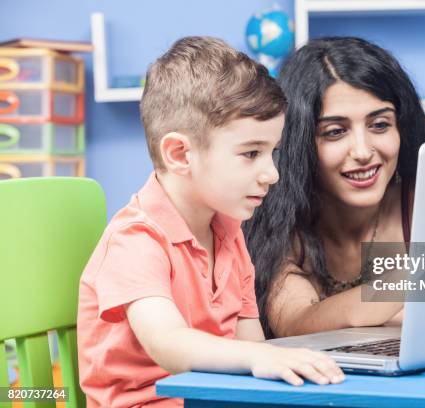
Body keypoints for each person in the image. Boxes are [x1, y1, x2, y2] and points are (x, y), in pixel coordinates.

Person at [77, 36, 344, 408]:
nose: (272, 174)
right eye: (251, 153)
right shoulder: (134, 240)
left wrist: (271, 361)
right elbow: (169, 344)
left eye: (272, 153)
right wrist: (259, 358)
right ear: (180, 154)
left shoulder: (230, 233)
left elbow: (250, 343)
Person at [245, 37, 425, 339]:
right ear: (299, 144)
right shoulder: (280, 219)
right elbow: (296, 324)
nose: (362, 152)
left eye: (379, 125)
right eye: (335, 132)